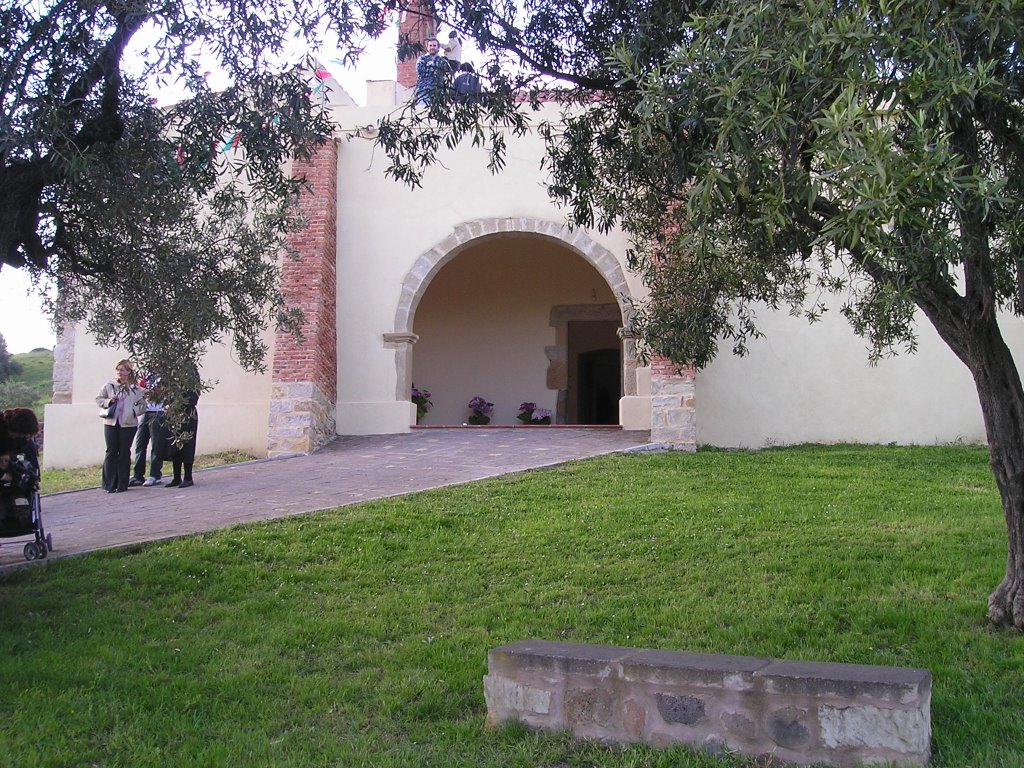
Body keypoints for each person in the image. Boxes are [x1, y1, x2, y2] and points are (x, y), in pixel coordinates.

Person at [95, 359, 147, 493]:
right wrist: (108, 401)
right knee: (111, 451)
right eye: (118, 370)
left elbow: (143, 405)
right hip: (111, 423)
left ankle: (122, 484)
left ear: (129, 372)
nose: (119, 373)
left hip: (128, 424)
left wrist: (134, 412)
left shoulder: (136, 389)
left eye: (122, 370)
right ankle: (109, 484)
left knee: (124, 452)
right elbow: (99, 399)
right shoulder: (110, 385)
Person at [130, 373, 165, 487]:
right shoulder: (146, 376)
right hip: (145, 412)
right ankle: (138, 475)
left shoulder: (163, 376)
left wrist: (145, 391)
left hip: (157, 412)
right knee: (140, 444)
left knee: (156, 445)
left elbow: (160, 392)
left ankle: (155, 475)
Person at [160, 388, 200, 489]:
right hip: (174, 415)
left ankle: (188, 477)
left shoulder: (192, 375)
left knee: (187, 445)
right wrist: (167, 404)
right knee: (174, 444)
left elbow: (193, 398)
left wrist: (176, 405)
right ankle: (176, 477)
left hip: (187, 415)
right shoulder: (174, 376)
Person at [415, 38, 450, 106]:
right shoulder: (422, 59)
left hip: (439, 91)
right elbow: (421, 72)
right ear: (427, 47)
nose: (432, 47)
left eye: (434, 45)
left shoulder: (443, 60)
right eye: (430, 45)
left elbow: (445, 73)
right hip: (424, 91)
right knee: (422, 113)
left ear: (438, 47)